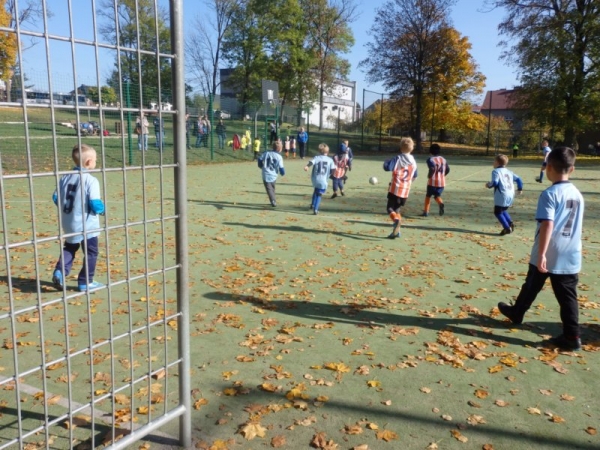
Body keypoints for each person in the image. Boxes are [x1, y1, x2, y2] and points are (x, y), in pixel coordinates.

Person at [497, 147, 584, 351]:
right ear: (572, 169)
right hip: (571, 252)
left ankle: (570, 337)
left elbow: (548, 224)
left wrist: (542, 253)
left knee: (533, 283)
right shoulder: (577, 193)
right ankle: (519, 313)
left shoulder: (550, 193)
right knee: (565, 296)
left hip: (549, 250)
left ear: (548, 167)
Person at [52, 144, 105, 292]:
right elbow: (95, 203)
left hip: (69, 222)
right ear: (89, 162)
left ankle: (60, 271)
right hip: (87, 225)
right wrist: (102, 209)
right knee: (91, 252)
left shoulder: (65, 177)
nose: (95, 162)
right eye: (95, 160)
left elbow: (56, 197)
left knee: (69, 247)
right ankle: (85, 282)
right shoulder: (91, 180)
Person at [383, 137, 418, 239]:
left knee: (389, 208)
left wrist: (386, 162)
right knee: (397, 209)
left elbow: (387, 168)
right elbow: (415, 175)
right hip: (405, 190)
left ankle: (396, 221)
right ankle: (396, 232)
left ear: (400, 148)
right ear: (412, 149)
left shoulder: (397, 158)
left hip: (395, 188)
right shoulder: (413, 161)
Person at [485, 154, 523, 235]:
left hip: (502, 194)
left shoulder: (496, 171)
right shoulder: (509, 172)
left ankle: (506, 228)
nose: (493, 163)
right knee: (503, 210)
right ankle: (510, 223)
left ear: (497, 162)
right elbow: (519, 179)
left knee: (497, 212)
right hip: (510, 193)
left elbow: (495, 182)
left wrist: (488, 185)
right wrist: (520, 189)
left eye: (494, 161)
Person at [304, 143, 335, 215]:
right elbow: (333, 169)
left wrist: (307, 166)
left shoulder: (317, 157)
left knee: (316, 190)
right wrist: (331, 175)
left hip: (315, 179)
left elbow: (311, 162)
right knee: (319, 195)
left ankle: (312, 204)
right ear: (327, 152)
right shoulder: (330, 160)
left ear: (319, 151)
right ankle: (316, 209)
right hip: (323, 180)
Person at [422, 143, 449, 217]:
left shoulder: (430, 159)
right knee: (437, 195)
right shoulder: (443, 159)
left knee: (428, 195)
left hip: (432, 181)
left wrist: (429, 175)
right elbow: (448, 169)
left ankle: (426, 211)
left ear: (430, 151)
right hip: (442, 182)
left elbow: (432, 168)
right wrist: (443, 175)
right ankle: (440, 203)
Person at [258, 140, 286, 207]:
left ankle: (273, 200)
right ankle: (273, 200)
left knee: (269, 188)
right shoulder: (279, 157)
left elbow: (259, 159)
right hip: (273, 175)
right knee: (271, 187)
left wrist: (260, 165)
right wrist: (282, 173)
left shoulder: (267, 153)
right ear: (280, 149)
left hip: (266, 173)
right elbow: (281, 168)